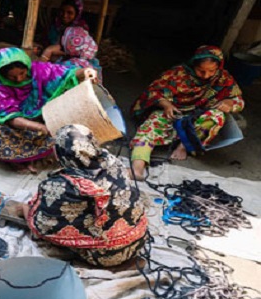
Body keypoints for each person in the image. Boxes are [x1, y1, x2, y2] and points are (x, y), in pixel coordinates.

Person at [23, 124, 148, 267]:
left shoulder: (62, 185)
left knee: (35, 214)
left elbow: (43, 226)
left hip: (105, 255)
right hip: (137, 241)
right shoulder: (113, 161)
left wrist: (26, 210)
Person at [130, 45, 245, 181]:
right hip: (173, 113)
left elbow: (238, 101)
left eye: (211, 71)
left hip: (197, 118)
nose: (206, 75)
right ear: (193, 64)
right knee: (150, 127)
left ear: (218, 67)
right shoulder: (177, 74)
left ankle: (184, 146)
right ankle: (137, 168)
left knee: (217, 116)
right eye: (201, 71)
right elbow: (153, 92)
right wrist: (166, 104)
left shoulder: (224, 78)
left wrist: (229, 103)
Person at [0, 47, 98, 173]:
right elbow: (11, 118)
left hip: (39, 119)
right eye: (12, 77)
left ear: (27, 67)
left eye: (22, 73)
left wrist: (86, 72)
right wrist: (39, 127)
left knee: (65, 133)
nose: (19, 79)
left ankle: (29, 157)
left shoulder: (39, 71)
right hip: (11, 124)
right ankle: (17, 159)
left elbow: (67, 74)